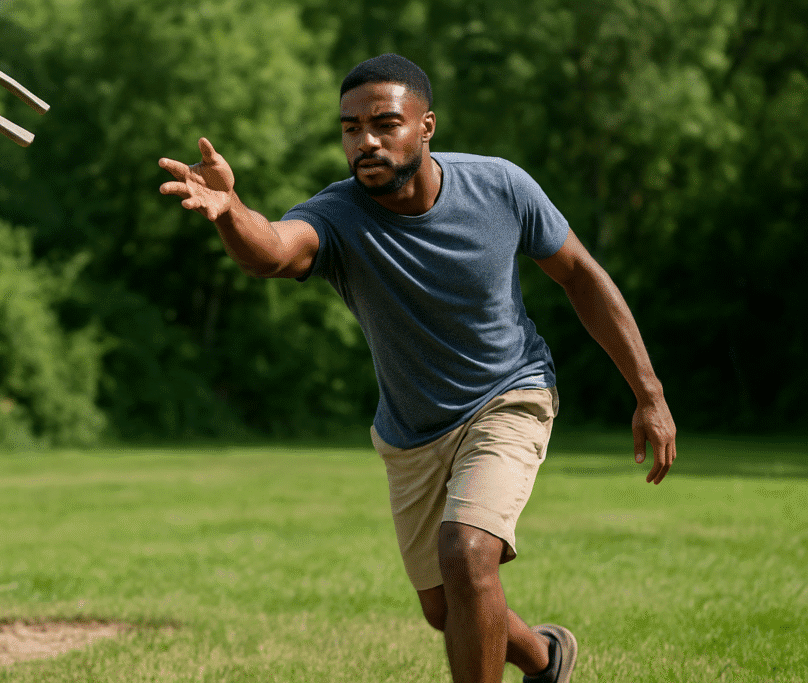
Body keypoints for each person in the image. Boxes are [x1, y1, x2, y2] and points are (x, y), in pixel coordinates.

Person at [158, 53, 677, 683]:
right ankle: (546, 661)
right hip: (411, 430)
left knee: (466, 556)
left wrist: (647, 392)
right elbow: (272, 252)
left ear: (426, 126)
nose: (365, 141)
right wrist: (232, 209)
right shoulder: (339, 214)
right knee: (445, 608)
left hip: (509, 395)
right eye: (351, 128)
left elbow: (580, 275)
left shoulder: (501, 187)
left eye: (385, 124)